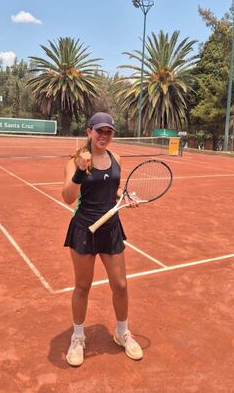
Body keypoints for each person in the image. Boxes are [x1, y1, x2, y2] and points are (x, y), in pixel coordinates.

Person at [62, 112, 143, 366]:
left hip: (111, 229)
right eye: (99, 131)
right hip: (84, 229)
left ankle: (122, 333)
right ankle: (77, 337)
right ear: (89, 132)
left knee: (120, 285)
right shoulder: (75, 160)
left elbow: (114, 189)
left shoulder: (116, 158)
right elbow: (68, 197)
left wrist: (126, 197)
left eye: (108, 132)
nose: (104, 136)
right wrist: (80, 171)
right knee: (83, 287)